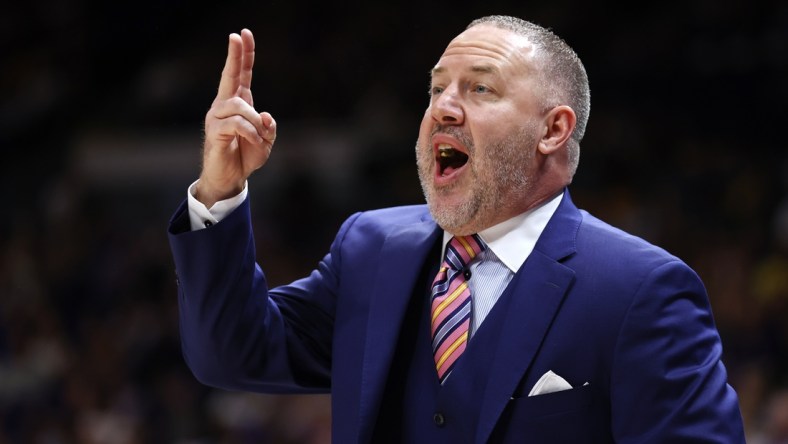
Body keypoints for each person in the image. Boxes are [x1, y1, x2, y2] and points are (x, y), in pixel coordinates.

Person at [167, 15, 745, 443]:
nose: (443, 106)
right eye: (437, 87)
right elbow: (230, 355)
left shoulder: (640, 290)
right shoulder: (372, 249)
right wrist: (220, 191)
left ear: (553, 130)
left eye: (480, 88)